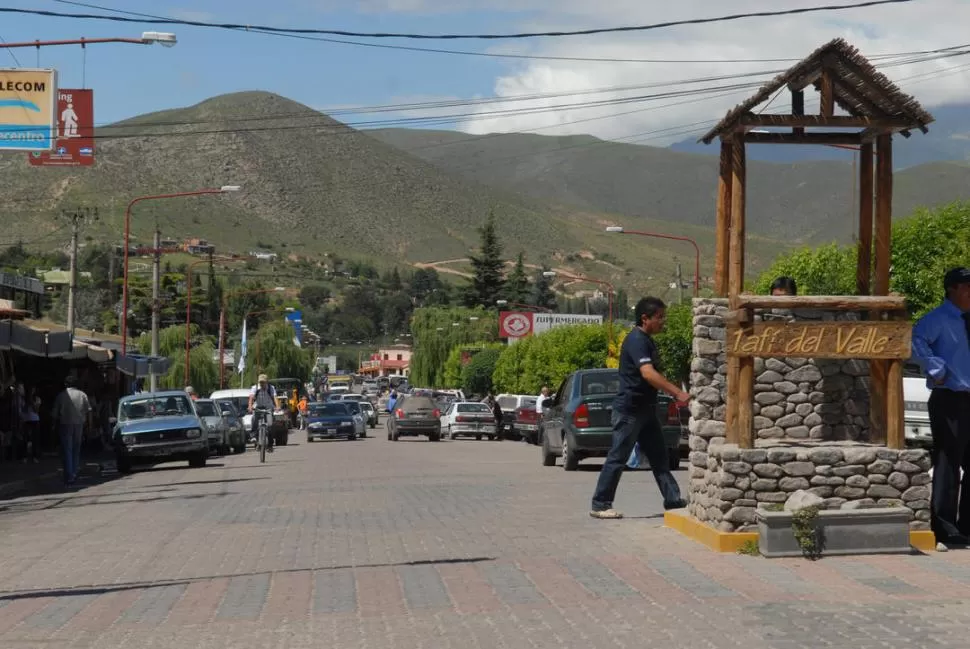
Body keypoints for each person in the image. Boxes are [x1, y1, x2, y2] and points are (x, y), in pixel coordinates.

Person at [590, 297, 690, 519]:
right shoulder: (636, 340)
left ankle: (673, 501)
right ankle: (600, 504)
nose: (663, 322)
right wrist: (678, 393)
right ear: (645, 318)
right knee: (618, 457)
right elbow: (648, 373)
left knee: (659, 458)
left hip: (646, 411)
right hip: (630, 410)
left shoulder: (647, 340)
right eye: (659, 317)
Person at [912, 267, 970, 545]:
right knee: (949, 462)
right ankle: (946, 528)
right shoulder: (937, 319)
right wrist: (935, 367)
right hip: (950, 397)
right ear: (953, 289)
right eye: (967, 286)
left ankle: (967, 525)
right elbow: (915, 341)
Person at [51, 376, 91, 486]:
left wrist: (53, 425)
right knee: (76, 449)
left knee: (67, 449)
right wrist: (89, 424)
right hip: (79, 424)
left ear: (65, 384)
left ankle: (69, 474)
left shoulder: (61, 396)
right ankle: (74, 472)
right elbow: (88, 411)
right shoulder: (82, 394)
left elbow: (55, 413)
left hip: (65, 424)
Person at [248, 374, 277, 451]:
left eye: (263, 382)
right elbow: (251, 398)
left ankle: (270, 445)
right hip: (258, 407)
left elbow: (275, 397)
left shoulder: (271, 388)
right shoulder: (255, 388)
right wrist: (250, 407)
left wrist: (277, 406)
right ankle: (253, 436)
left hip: (268, 408)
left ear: (266, 382)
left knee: (270, 425)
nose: (262, 384)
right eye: (260, 382)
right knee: (254, 419)